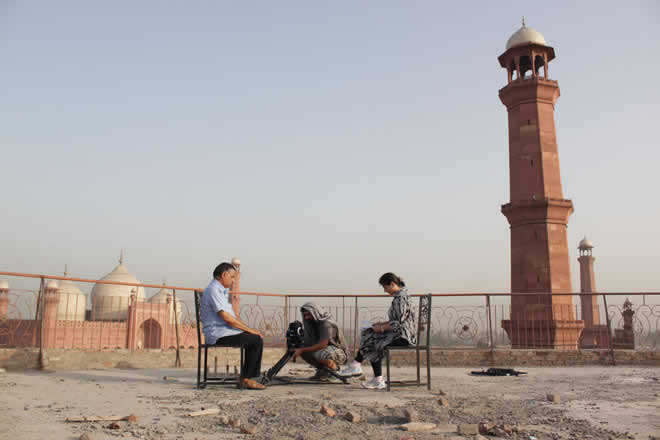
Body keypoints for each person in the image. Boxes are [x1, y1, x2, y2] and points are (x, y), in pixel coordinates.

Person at [339, 272, 417, 389]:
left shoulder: (401, 298)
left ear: (392, 284)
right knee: (369, 333)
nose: (385, 291)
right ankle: (360, 367)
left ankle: (366, 371)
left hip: (404, 337)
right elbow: (396, 320)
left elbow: (398, 323)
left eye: (385, 287)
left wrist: (381, 328)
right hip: (398, 333)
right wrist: (381, 325)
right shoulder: (400, 296)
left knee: (373, 340)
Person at [200, 262, 265, 390]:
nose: (234, 280)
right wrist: (250, 330)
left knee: (255, 338)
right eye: (232, 277)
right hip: (218, 334)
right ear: (224, 275)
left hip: (225, 331)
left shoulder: (220, 291)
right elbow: (227, 318)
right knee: (255, 340)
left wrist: (249, 331)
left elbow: (232, 317)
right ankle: (247, 379)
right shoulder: (213, 290)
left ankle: (247, 377)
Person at [291, 303, 349, 381]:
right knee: (303, 350)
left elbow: (323, 345)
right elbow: (309, 342)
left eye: (309, 314)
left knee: (320, 354)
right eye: (305, 315)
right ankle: (323, 371)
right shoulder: (312, 324)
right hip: (326, 350)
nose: (307, 317)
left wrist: (302, 349)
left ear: (315, 312)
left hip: (338, 353)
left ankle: (335, 372)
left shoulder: (325, 323)